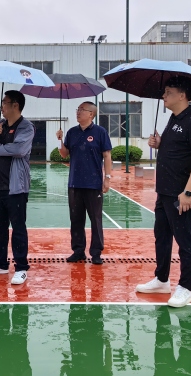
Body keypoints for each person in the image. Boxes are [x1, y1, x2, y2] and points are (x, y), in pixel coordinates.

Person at [136, 76, 191, 308]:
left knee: (185, 241)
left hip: (180, 194)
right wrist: (159, 144)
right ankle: (161, 279)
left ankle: (185, 288)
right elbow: (176, 149)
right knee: (162, 237)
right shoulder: (173, 118)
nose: (164, 96)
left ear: (182, 95)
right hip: (164, 191)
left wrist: (188, 192)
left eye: (168, 92)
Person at [0, 90, 34, 285]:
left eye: (5, 102)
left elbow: (19, 149)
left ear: (15, 105)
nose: (2, 106)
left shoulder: (26, 127)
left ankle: (21, 268)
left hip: (15, 188)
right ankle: (0, 263)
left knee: (18, 228)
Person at [56, 101, 112, 265]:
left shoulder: (100, 132)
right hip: (75, 183)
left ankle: (96, 253)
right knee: (76, 219)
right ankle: (78, 251)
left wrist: (107, 178)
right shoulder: (72, 132)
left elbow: (107, 155)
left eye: (82, 110)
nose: (78, 112)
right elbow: (64, 154)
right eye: (78, 109)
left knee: (95, 219)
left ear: (91, 114)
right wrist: (60, 140)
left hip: (93, 184)